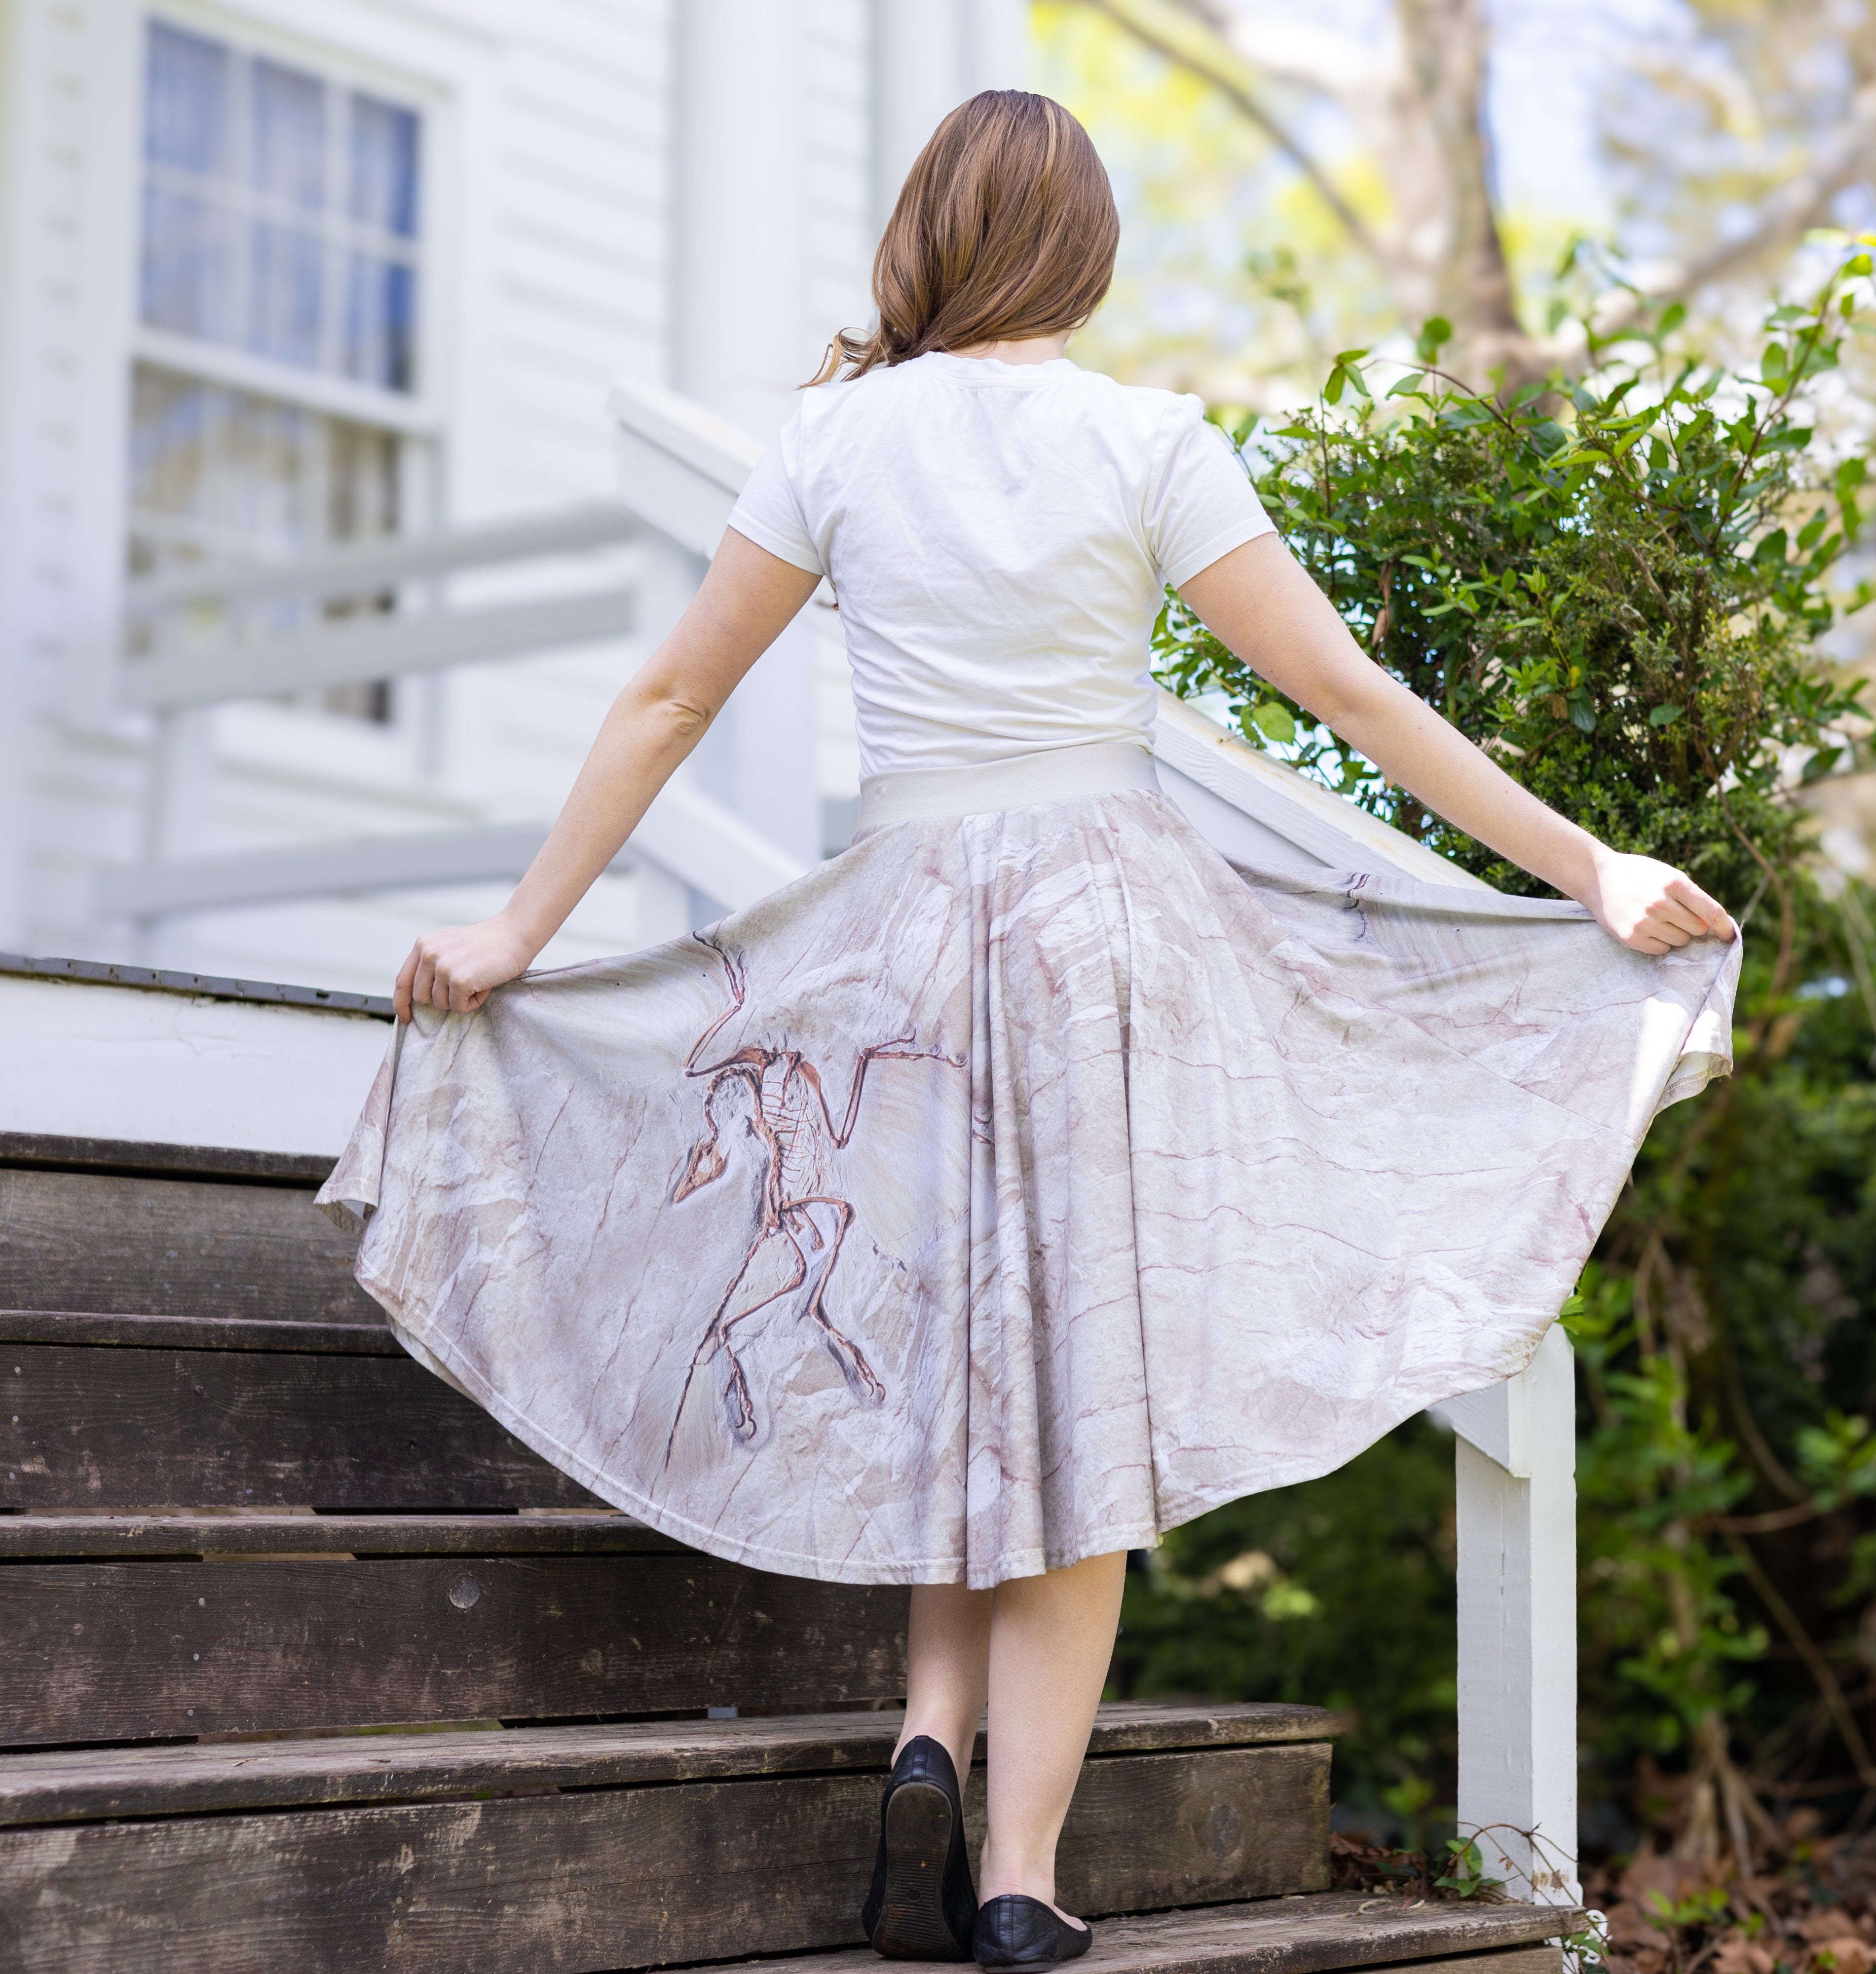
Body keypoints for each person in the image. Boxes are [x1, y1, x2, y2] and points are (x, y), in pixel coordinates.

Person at [321, 91, 1738, 1973]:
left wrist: (521, 929)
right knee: (1075, 1387)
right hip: (1098, 942)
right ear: (1085, 252)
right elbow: (1348, 693)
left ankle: (929, 1736)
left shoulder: (834, 440)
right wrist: (1585, 867)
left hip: (901, 942)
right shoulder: (1148, 441)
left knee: (954, 1372)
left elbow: (669, 697)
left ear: (926, 235)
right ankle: (1018, 1875)